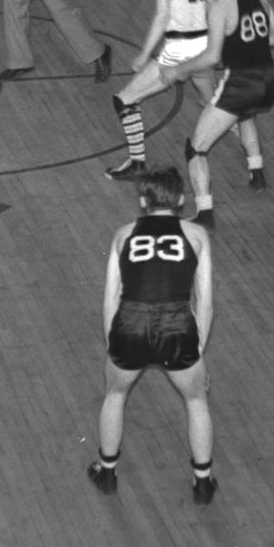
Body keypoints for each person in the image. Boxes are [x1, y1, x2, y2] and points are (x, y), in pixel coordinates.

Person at [86, 165, 217, 506]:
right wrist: (196, 346)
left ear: (144, 200)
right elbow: (205, 301)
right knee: (196, 399)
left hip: (131, 324)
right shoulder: (197, 236)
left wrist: (113, 342)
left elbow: (110, 298)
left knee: (115, 393)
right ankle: (202, 482)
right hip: (177, 326)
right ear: (181, 199)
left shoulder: (122, 234)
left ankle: (107, 471)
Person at [161, 0, 274, 227]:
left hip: (240, 84)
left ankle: (204, 213)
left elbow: (212, 56)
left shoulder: (222, 5)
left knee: (196, 148)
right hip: (269, 82)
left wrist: (178, 69)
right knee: (245, 114)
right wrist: (247, 43)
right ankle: (257, 172)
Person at [105, 0, 213, 180]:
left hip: (178, 50)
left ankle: (137, 162)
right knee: (212, 103)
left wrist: (143, 55)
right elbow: (212, 3)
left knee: (125, 99)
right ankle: (253, 158)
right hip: (203, 46)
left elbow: (163, 16)